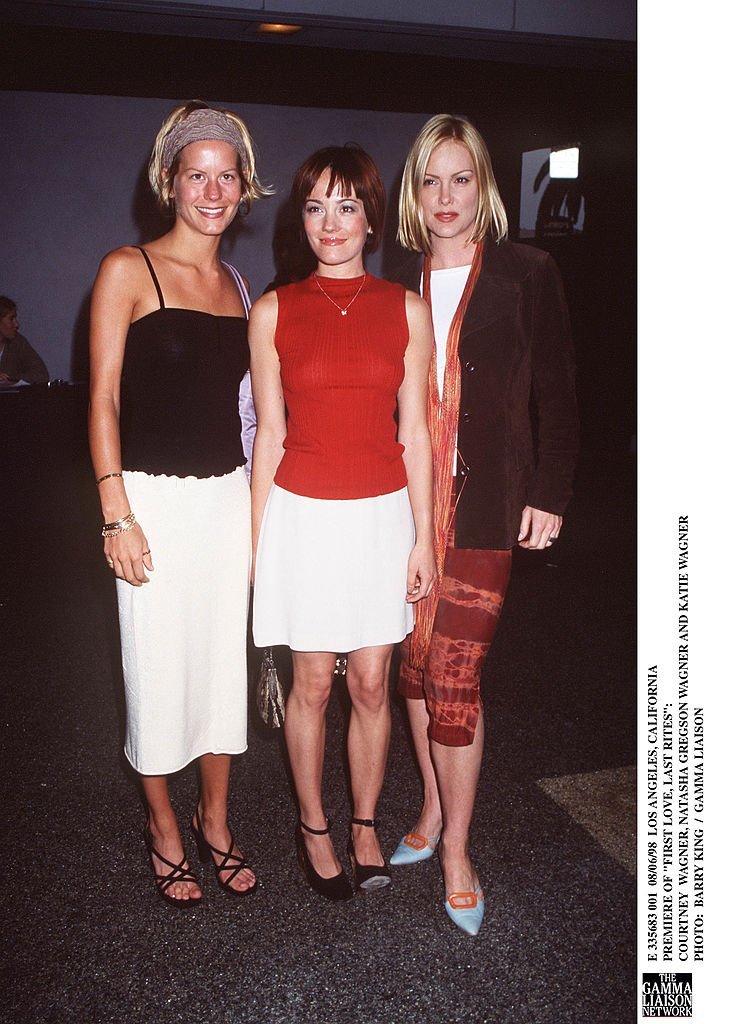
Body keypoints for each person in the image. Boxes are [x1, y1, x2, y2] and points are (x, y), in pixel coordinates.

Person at [389, 114, 579, 935]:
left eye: (460, 178)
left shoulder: (528, 272)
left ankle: (459, 850)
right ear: (413, 191)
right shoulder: (395, 277)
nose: (444, 196)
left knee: (454, 679)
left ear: (485, 187)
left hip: (490, 504)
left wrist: (552, 490)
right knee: (410, 671)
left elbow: (560, 391)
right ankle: (429, 809)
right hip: (396, 504)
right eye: (430, 180)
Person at [88, 100, 270, 906]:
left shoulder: (237, 282)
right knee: (157, 667)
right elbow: (100, 400)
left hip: (226, 499)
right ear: (170, 182)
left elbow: (251, 411)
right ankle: (163, 824)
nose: (212, 188)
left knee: (221, 670)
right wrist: (115, 512)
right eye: (196, 174)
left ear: (243, 188)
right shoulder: (128, 268)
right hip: (151, 503)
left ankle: (216, 820)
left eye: (226, 175)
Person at [250, 145, 435, 901]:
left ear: (371, 218)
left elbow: (416, 430)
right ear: (303, 219)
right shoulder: (273, 309)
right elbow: (267, 432)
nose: (331, 222)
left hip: (382, 516)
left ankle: (363, 823)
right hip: (303, 516)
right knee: (311, 687)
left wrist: (423, 535)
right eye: (316, 206)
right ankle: (313, 825)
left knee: (369, 683)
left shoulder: (405, 308)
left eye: (347, 205)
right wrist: (257, 544)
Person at [0, 296, 49, 383]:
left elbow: (42, 375)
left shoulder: (17, 341)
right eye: (11, 319)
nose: (17, 324)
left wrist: (9, 378)